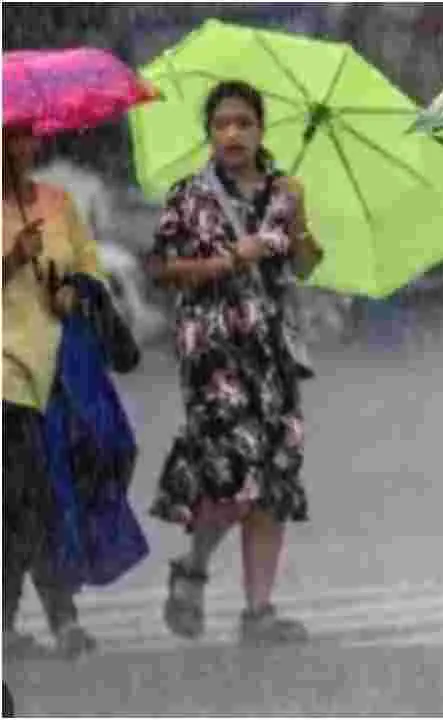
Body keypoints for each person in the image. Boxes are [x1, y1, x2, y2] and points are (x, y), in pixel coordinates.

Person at [146, 80, 320, 647]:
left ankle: (258, 611)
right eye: (222, 124)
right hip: (213, 351)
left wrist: (298, 221)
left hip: (272, 352)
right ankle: (193, 568)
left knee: (272, 480)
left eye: (244, 122)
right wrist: (226, 261)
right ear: (210, 133)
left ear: (261, 130)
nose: (233, 133)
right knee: (231, 473)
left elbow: (306, 266)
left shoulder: (283, 190)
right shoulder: (189, 195)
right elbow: (162, 268)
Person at [3, 123, 102, 660]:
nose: (20, 148)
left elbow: (89, 271)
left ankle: (14, 621)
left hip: (56, 374)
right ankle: (62, 619)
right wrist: (12, 260)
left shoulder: (58, 203)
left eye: (25, 136)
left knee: (36, 501)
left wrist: (72, 293)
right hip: (5, 378)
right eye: (7, 137)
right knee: (30, 497)